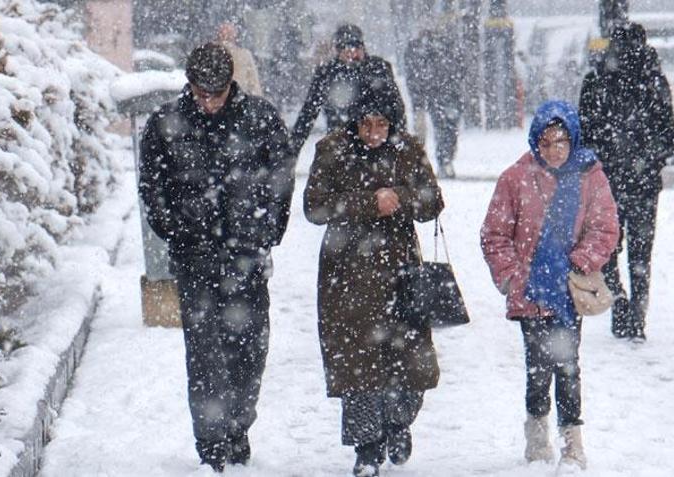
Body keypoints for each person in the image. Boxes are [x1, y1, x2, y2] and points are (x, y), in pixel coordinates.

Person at [138, 42, 294, 472]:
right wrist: (174, 227)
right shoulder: (166, 123)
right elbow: (151, 184)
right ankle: (211, 442)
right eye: (201, 93)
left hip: (246, 253)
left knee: (249, 349)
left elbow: (282, 176)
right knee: (204, 353)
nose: (208, 103)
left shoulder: (260, 119)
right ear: (190, 85)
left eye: (217, 94)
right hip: (195, 256)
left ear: (230, 85)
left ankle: (239, 424)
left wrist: (267, 230)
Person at [303, 89, 444, 477]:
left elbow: (433, 202)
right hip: (347, 275)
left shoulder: (407, 149)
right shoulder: (333, 149)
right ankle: (366, 448)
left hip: (401, 273)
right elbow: (314, 206)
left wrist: (398, 196)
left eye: (382, 123)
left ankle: (398, 424)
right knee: (357, 365)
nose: (373, 132)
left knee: (410, 363)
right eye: (365, 123)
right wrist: (369, 202)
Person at [481, 100, 619, 470]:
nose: (555, 149)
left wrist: (580, 261)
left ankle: (573, 444)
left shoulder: (590, 174)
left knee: (568, 363)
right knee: (537, 365)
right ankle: (537, 435)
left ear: (573, 138)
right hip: (530, 290)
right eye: (546, 142)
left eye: (561, 141)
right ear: (534, 141)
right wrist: (512, 276)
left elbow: (605, 228)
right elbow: (494, 234)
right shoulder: (515, 178)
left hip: (568, 290)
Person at [579, 22, 674, 341]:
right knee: (640, 251)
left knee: (607, 246)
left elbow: (585, 133)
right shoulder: (654, 82)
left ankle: (620, 301)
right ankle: (636, 314)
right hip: (644, 183)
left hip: (607, 182)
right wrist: (649, 160)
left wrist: (602, 160)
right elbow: (669, 136)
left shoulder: (597, 81)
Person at [291, 23, 407, 156]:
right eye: (346, 47)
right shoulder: (327, 73)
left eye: (356, 46)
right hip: (341, 144)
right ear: (338, 50)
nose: (352, 52)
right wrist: (293, 150)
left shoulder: (377, 68)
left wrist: (399, 139)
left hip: (376, 141)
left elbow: (395, 107)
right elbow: (309, 112)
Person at [404, 27, 465, 179]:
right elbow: (412, 76)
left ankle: (443, 161)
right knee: (442, 129)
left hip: (445, 93)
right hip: (436, 94)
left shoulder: (446, 45)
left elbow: (460, 67)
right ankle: (440, 161)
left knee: (447, 130)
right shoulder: (418, 48)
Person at [216, 22, 264, 97]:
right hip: (238, 99)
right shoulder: (244, 55)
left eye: (228, 34)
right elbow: (254, 85)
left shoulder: (211, 54)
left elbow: (254, 85)